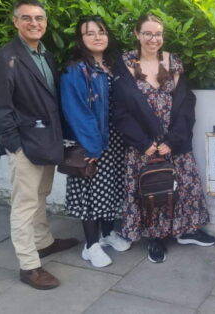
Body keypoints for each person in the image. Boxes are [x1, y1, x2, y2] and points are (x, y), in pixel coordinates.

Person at [0, 0, 78, 290]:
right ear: (15, 22)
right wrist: (16, 145)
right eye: (27, 18)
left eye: (39, 18)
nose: (34, 23)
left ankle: (44, 242)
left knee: (41, 194)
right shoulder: (5, 58)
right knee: (24, 204)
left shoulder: (45, 56)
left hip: (46, 142)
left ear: (46, 23)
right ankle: (29, 265)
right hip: (25, 145)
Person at [111, 14, 215, 264]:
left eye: (157, 34)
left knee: (184, 186)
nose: (153, 39)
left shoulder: (173, 61)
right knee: (153, 190)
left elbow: (185, 102)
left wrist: (175, 138)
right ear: (136, 34)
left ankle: (186, 231)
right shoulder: (123, 64)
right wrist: (144, 143)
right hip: (143, 145)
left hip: (173, 140)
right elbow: (120, 109)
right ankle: (156, 238)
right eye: (147, 33)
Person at [60, 16, 131, 268]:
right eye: (89, 33)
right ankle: (91, 245)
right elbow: (76, 110)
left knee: (111, 188)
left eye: (101, 31)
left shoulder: (114, 65)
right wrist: (92, 146)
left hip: (115, 140)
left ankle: (107, 233)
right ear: (81, 39)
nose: (97, 37)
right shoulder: (76, 69)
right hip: (91, 142)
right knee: (91, 193)